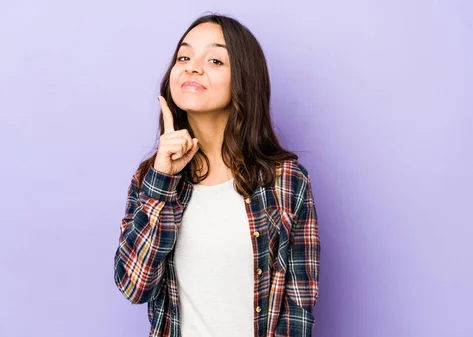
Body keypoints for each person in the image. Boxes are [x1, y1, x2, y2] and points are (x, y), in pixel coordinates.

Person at [113, 14, 320, 337]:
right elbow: (134, 286)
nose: (192, 67)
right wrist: (163, 181)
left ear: (243, 80)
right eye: (184, 57)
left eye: (214, 60)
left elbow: (299, 308)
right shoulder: (151, 179)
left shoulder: (286, 181)